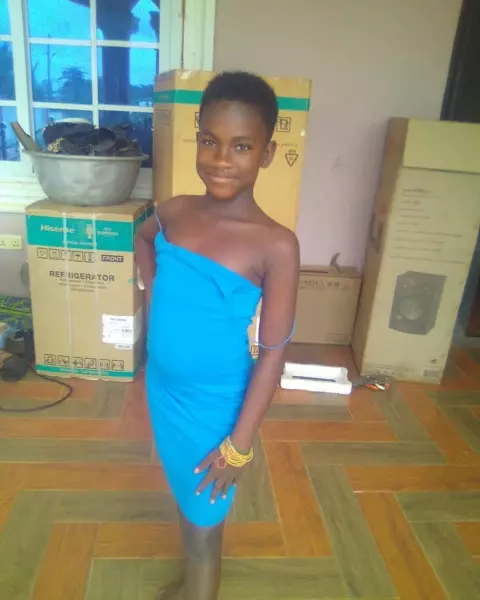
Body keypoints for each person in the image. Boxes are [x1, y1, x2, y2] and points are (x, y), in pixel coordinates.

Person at [135, 71, 299, 600]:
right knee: (191, 508)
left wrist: (240, 444)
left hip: (215, 409)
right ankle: (190, 588)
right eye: (210, 141)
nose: (221, 159)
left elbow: (272, 354)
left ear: (266, 154)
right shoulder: (175, 211)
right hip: (164, 391)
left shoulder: (276, 244)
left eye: (242, 146)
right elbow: (143, 236)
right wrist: (155, 295)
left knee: (206, 529)